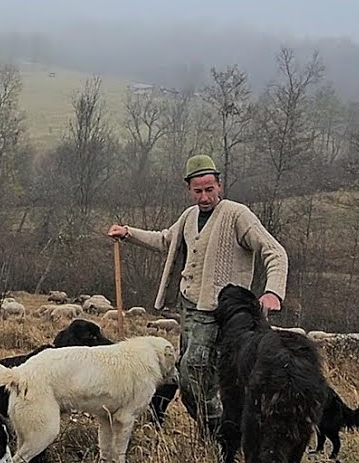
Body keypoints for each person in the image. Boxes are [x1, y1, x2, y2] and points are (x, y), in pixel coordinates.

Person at [107, 154, 289, 445]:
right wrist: (128, 233)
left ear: (220, 185)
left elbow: (274, 251)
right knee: (190, 373)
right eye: (198, 191)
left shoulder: (237, 215)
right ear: (189, 189)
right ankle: (214, 431)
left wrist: (273, 291)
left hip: (217, 311)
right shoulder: (189, 217)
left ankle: (223, 433)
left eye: (210, 189)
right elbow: (166, 240)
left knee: (194, 371)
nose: (205, 196)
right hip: (188, 306)